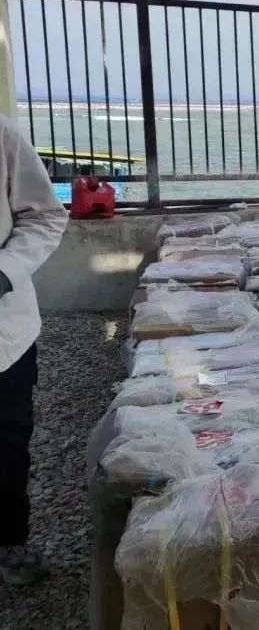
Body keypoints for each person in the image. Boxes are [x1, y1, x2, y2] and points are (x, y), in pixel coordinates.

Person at [0, 116, 67, 585]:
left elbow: (44, 214)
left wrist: (5, 270)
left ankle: (9, 541)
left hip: (5, 331)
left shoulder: (3, 136)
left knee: (7, 441)